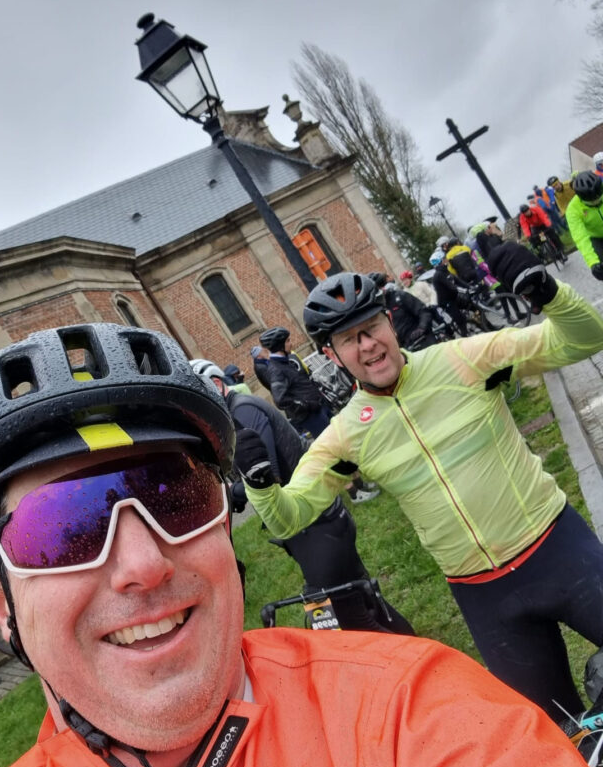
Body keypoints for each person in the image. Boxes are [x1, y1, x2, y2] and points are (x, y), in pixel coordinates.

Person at [0, 322, 603, 767]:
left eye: (178, 498)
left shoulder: (410, 718)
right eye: (62, 528)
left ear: (222, 531)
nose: (143, 566)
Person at [236, 249, 603, 720]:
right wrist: (262, 484)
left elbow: (584, 340)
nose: (367, 346)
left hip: (557, 549)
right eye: (350, 340)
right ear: (332, 355)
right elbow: (291, 515)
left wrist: (550, 295)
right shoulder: (348, 433)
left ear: (390, 321)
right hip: (485, 595)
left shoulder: (462, 361)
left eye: (371, 328)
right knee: (556, 735)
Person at [190, 358, 410, 633]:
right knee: (363, 597)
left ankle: (410, 669)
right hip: (316, 518)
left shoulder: (242, 412)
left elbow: (265, 476)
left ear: (217, 384)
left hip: (313, 523)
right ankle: (416, 649)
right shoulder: (236, 412)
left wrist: (230, 492)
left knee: (349, 618)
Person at [258, 326, 331, 438]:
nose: (291, 343)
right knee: (334, 445)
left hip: (319, 408)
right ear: (279, 345)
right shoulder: (276, 370)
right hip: (312, 416)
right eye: (288, 341)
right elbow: (280, 400)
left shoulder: (284, 362)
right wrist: (307, 405)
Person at [566, 170, 603, 280]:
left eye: (598, 198)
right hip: (596, 237)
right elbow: (580, 238)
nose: (596, 202)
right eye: (591, 201)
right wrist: (593, 263)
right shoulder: (572, 210)